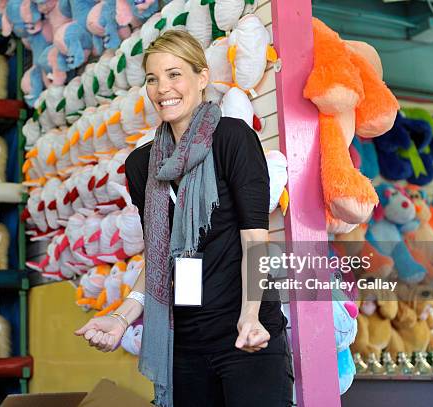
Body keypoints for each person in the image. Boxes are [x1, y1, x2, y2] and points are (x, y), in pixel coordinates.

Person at [75, 30, 293, 407]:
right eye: (152, 79)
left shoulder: (232, 138)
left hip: (246, 336)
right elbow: (157, 257)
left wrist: (252, 315)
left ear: (202, 77)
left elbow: (255, 238)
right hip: (184, 344)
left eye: (174, 74)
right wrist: (123, 318)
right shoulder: (142, 165)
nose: (163, 88)